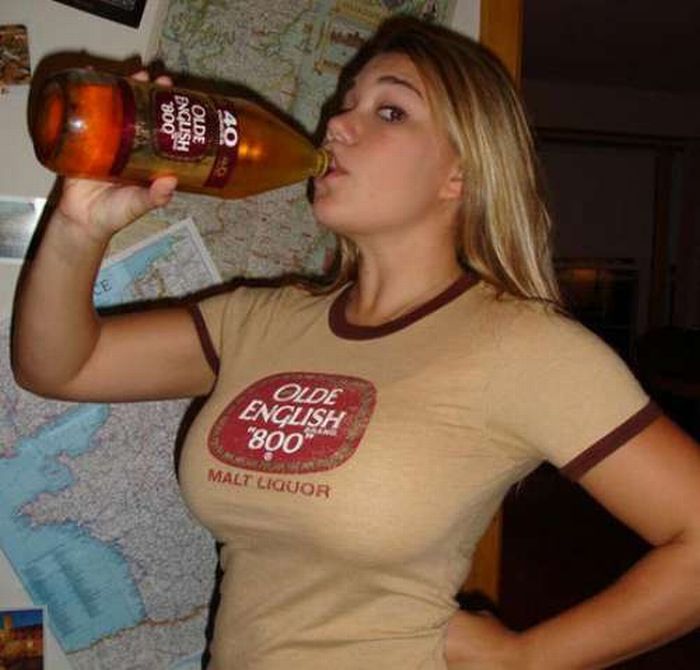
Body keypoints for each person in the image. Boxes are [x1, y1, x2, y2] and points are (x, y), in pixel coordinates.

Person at [11, 16, 700, 670]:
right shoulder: (260, 320)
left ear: (459, 174)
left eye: (390, 111)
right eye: (345, 103)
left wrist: (526, 659)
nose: (336, 123)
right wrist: (80, 223)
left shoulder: (521, 347)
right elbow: (60, 366)